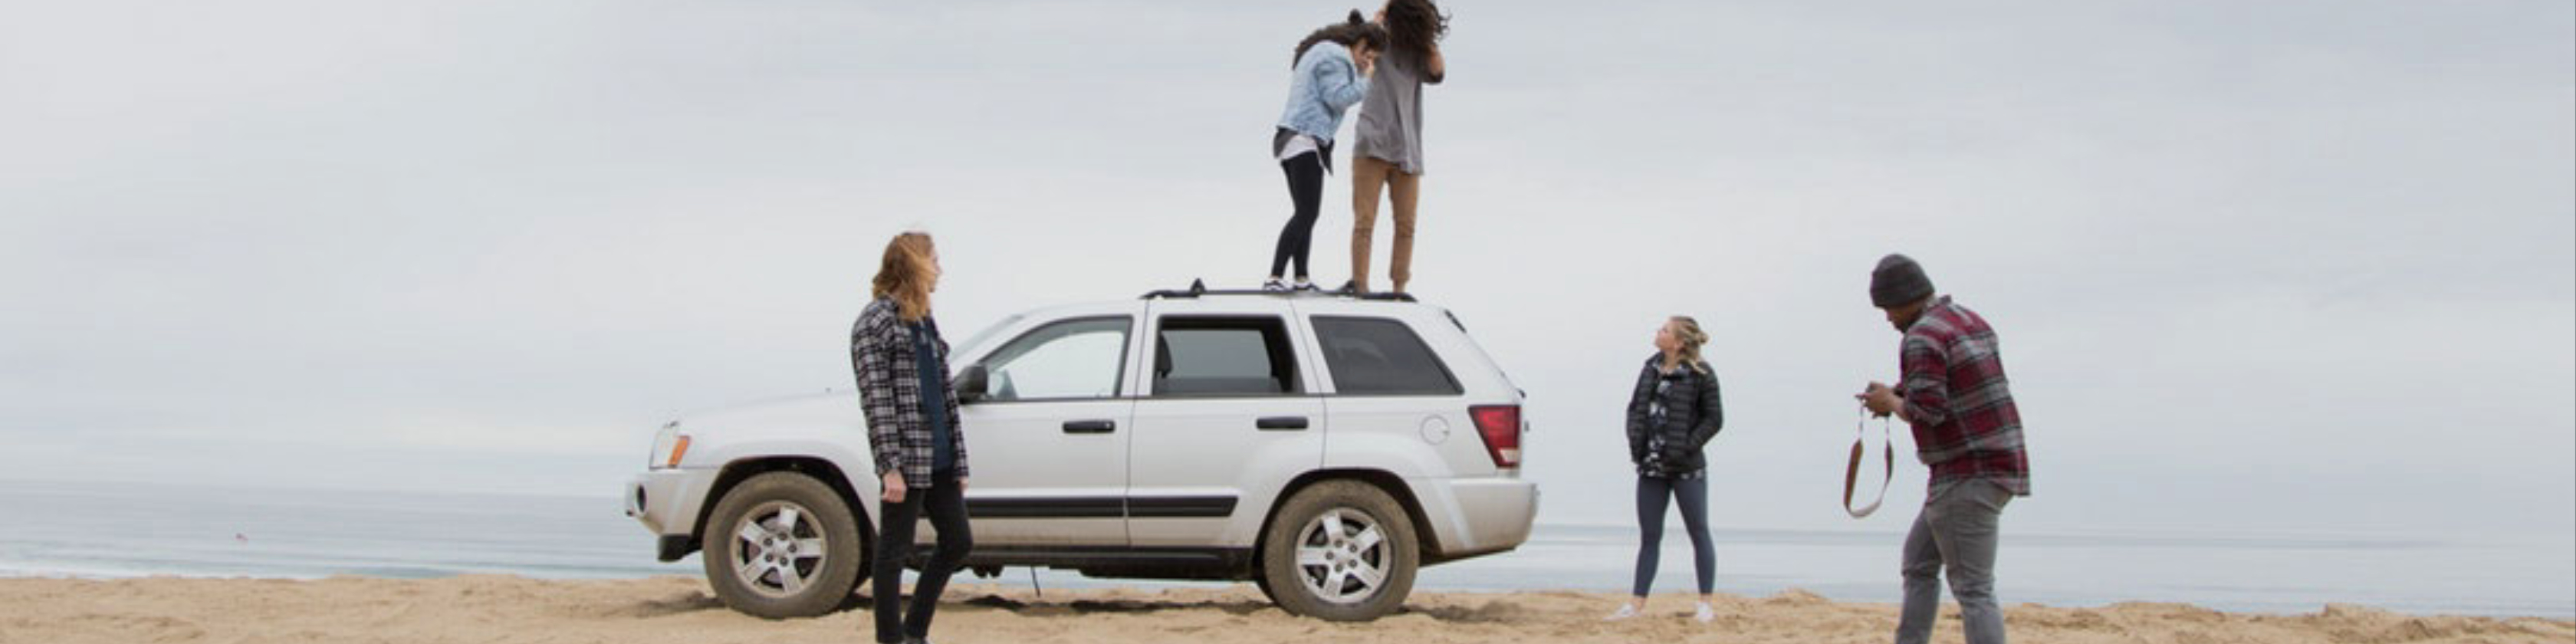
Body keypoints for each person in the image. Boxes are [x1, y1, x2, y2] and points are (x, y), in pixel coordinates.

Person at [1854, 254, 2032, 644]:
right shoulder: (1968, 320)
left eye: (1886, 309)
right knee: (1918, 564)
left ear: (1903, 299)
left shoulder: (1920, 337)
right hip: (1995, 463)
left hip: (1968, 471)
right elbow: (1952, 382)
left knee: (1973, 589)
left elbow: (1927, 411)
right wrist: (1897, 392)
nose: (1887, 319)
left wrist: (1891, 403)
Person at [849, 232, 974, 644]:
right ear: (915, 264)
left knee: (957, 542)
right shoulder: (874, 322)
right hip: (906, 459)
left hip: (939, 456)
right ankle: (890, 639)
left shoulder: (925, 321)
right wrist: (890, 468)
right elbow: (877, 401)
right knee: (893, 554)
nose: (941, 269)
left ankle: (914, 632)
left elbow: (945, 395)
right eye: (935, 260)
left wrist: (959, 461)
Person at [1607, 316, 1725, 623]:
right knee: (1650, 535)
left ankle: (1705, 604)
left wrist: (1686, 445)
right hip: (1651, 466)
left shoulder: (1702, 374)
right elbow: (1635, 408)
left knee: (1698, 531)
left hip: (1687, 468)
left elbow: (1714, 419)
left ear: (1679, 341)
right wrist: (1636, 441)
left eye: (1664, 330)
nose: (1657, 333)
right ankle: (1636, 604)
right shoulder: (1650, 369)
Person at [1267, 12, 1385, 292]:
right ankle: (1274, 277)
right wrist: (1367, 79)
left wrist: (1377, 24)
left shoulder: (1328, 51)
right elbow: (1338, 98)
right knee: (1307, 213)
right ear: (1359, 44)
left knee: (1305, 213)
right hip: (1303, 138)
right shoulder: (1336, 58)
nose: (1366, 63)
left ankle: (1301, 278)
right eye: (1367, 57)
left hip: (1296, 139)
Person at [1347, 0, 1447, 294]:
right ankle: (1361, 286)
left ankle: (1399, 289)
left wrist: (1426, 36)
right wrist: (1384, 12)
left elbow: (1438, 73)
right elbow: (1360, 51)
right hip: (1373, 141)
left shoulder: (1417, 50)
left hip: (1407, 147)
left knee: (1406, 225)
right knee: (1364, 222)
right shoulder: (1379, 42)